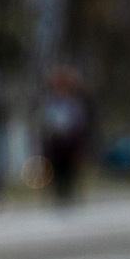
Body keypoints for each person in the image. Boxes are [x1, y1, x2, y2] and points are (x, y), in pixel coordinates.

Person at [39, 66, 90, 203]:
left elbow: (80, 120)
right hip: (55, 141)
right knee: (57, 168)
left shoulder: (74, 102)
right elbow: (45, 121)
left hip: (70, 140)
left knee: (70, 168)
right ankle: (59, 193)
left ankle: (69, 193)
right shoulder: (49, 101)